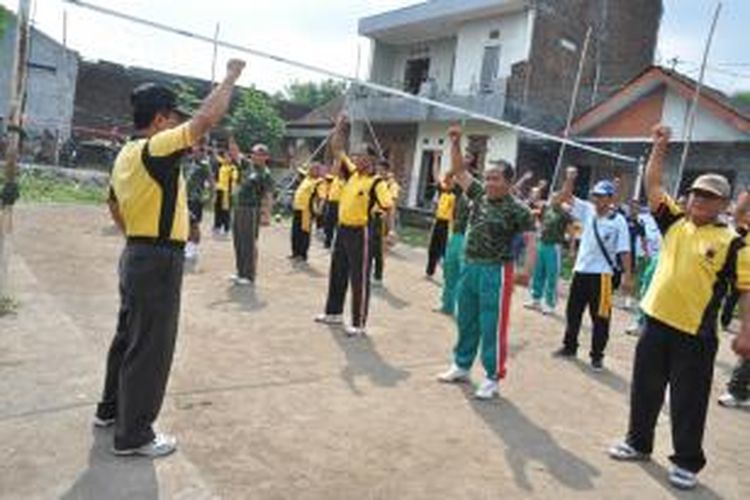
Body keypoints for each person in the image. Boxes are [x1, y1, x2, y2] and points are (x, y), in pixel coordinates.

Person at [94, 59, 246, 458]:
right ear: (160, 119)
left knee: (128, 337)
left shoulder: (126, 153)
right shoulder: (154, 148)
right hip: (157, 258)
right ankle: (134, 435)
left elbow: (113, 203)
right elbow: (205, 120)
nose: (181, 128)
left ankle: (110, 411)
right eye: (174, 118)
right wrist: (230, 76)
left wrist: (136, 238)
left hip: (137, 252)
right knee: (151, 346)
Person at [608, 125, 750, 490]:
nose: (699, 201)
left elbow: (747, 292)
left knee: (689, 400)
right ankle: (638, 443)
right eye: (696, 194)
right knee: (645, 389)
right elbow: (653, 183)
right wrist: (660, 145)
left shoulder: (735, 243)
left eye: (709, 197)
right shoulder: (673, 222)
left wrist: (747, 332)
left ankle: (687, 462)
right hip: (655, 323)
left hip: (695, 334)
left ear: (724, 203)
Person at [437, 124, 536, 400]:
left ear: (508, 182)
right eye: (489, 177)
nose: (490, 182)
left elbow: (530, 241)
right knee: (466, 317)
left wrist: (526, 270)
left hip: (497, 271)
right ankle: (462, 365)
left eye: (496, 178)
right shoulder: (478, 194)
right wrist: (455, 143)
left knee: (492, 324)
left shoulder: (519, 210)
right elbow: (459, 172)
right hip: (470, 266)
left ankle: (492, 377)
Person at [315, 115, 393, 336]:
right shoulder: (351, 174)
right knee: (337, 271)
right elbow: (337, 148)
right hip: (343, 230)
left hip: (362, 233)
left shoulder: (377, 182)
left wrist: (390, 232)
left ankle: (358, 324)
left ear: (372, 159)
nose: (356, 158)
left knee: (359, 278)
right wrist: (340, 127)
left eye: (361, 155)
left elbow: (388, 207)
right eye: (356, 155)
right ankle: (333, 312)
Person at [552, 167, 633, 371]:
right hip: (581, 271)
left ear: (610, 199)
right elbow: (566, 197)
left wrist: (627, 276)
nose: (597, 200)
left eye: (601, 196)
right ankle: (569, 346)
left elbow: (624, 250)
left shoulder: (619, 221)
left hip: (603, 276)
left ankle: (597, 355)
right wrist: (569, 179)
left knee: (600, 317)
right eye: (595, 196)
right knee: (573, 312)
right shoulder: (587, 210)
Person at [437, 150, 477, 316]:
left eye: (468, 156)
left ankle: (464, 309)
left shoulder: (477, 186)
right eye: (464, 156)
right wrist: (455, 167)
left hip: (469, 236)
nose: (465, 158)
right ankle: (447, 305)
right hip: (455, 234)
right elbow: (446, 180)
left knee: (464, 274)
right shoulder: (459, 188)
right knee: (450, 269)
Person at [231, 143, 275, 285]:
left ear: (266, 157)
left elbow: (268, 195)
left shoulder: (265, 173)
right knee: (238, 241)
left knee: (249, 243)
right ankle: (240, 271)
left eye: (259, 154)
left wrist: (266, 214)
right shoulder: (247, 166)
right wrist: (231, 135)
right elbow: (234, 152)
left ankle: (249, 275)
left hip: (252, 210)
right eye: (254, 153)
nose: (256, 156)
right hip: (239, 207)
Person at [524, 197, 573, 315]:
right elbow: (536, 213)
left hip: (554, 246)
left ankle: (550, 304)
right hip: (542, 243)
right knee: (538, 272)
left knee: (552, 275)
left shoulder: (565, 214)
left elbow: (572, 230)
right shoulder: (547, 209)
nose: (553, 199)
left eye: (556, 197)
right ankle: (536, 299)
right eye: (552, 197)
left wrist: (572, 247)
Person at [426, 156, 455, 278]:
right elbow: (435, 175)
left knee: (445, 250)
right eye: (446, 179)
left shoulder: (456, 194)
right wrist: (436, 159)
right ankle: (429, 271)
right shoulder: (442, 190)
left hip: (449, 224)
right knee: (433, 247)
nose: (446, 180)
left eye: (449, 179)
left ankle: (447, 274)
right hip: (438, 221)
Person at [370, 159, 398, 287]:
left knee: (379, 249)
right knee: (369, 246)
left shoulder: (392, 185)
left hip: (382, 218)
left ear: (387, 171)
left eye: (382, 170)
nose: (379, 172)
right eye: (378, 169)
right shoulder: (375, 182)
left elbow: (392, 206)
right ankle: (368, 271)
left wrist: (390, 227)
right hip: (371, 217)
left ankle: (378, 276)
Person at [184, 144, 214, 262]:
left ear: (202, 152)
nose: (195, 152)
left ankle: (193, 248)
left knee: (194, 224)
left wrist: (210, 197)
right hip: (186, 198)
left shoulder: (205, 165)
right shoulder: (190, 163)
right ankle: (187, 247)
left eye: (198, 150)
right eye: (194, 149)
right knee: (186, 224)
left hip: (196, 199)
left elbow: (211, 182)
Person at [290, 164, 325, 262]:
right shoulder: (306, 178)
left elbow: (322, 197)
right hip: (297, 208)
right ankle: (295, 252)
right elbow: (299, 170)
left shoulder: (319, 182)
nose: (311, 170)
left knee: (304, 232)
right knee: (295, 232)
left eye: (315, 169)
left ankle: (302, 254)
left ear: (318, 171)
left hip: (307, 210)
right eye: (311, 169)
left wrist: (319, 209)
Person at [213, 149, 238, 235]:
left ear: (231, 158)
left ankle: (226, 228)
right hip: (219, 190)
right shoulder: (222, 165)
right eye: (225, 156)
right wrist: (214, 150)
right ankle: (217, 226)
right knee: (217, 209)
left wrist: (233, 191)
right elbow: (217, 157)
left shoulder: (232, 168)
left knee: (225, 211)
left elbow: (234, 181)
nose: (226, 158)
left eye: (228, 157)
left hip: (226, 192)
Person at [323, 168, 344, 249]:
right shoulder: (334, 179)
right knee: (329, 223)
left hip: (340, 204)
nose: (339, 173)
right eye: (339, 172)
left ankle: (339, 243)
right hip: (331, 203)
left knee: (339, 225)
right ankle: (328, 241)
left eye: (341, 172)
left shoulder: (345, 182)